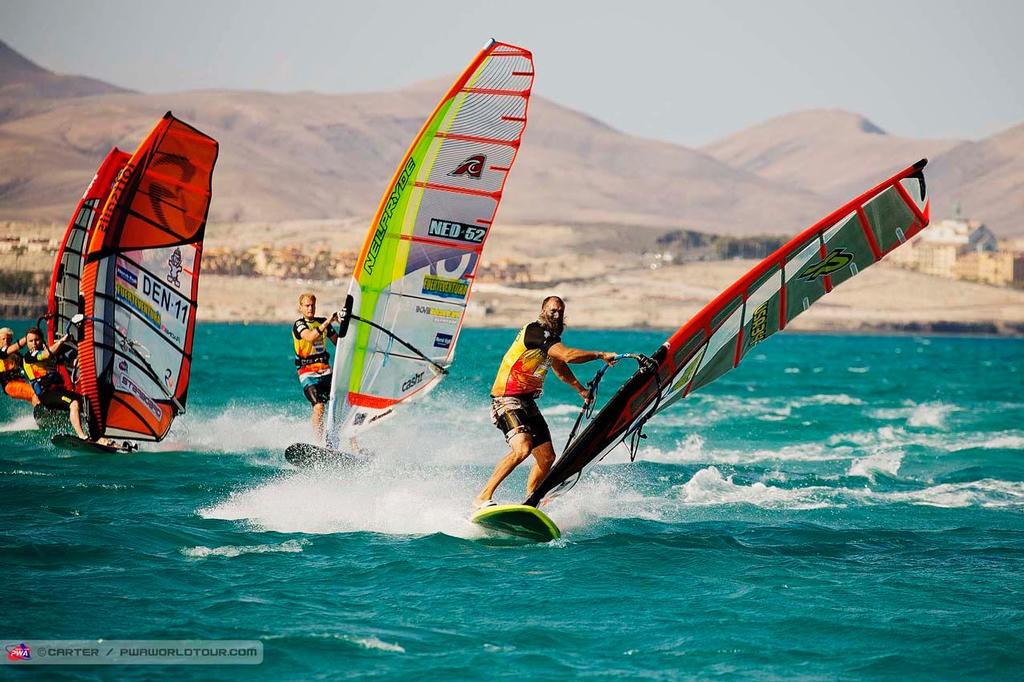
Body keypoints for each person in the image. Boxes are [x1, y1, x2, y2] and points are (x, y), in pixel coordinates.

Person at [474, 296, 618, 509]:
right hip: (506, 399)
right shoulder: (535, 332)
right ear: (542, 311)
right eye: (552, 311)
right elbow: (568, 356)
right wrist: (600, 354)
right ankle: (482, 498)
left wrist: (581, 390)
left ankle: (531, 501)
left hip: (527, 402)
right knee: (522, 449)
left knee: (547, 457)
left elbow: (560, 367)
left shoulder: (551, 339)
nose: (557, 315)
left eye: (560, 311)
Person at [21, 327, 99, 442]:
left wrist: (81, 356)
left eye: (37, 340)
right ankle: (82, 436)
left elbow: (72, 363)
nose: (34, 343)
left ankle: (96, 436)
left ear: (42, 340)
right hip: (46, 394)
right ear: (26, 343)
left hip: (58, 391)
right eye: (30, 341)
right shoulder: (29, 356)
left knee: (86, 402)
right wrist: (62, 341)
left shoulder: (52, 353)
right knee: (74, 403)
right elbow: (46, 354)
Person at [292, 293, 340, 438]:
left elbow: (339, 343)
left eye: (312, 305)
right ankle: (318, 444)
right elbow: (310, 336)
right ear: (300, 307)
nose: (310, 308)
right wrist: (330, 320)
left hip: (326, 373)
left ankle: (355, 447)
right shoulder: (299, 325)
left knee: (341, 407)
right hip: (308, 374)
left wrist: (344, 324)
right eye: (307, 305)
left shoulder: (323, 322)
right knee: (319, 407)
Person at [0, 327, 38, 405]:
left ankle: (46, 411)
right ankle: (43, 416)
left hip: (20, 382)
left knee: (38, 393)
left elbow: (28, 365)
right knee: (35, 393)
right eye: (3, 339)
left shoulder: (16, 355)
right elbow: (5, 353)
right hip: (9, 385)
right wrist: (28, 337)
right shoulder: (1, 353)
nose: (6, 341)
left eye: (8, 339)